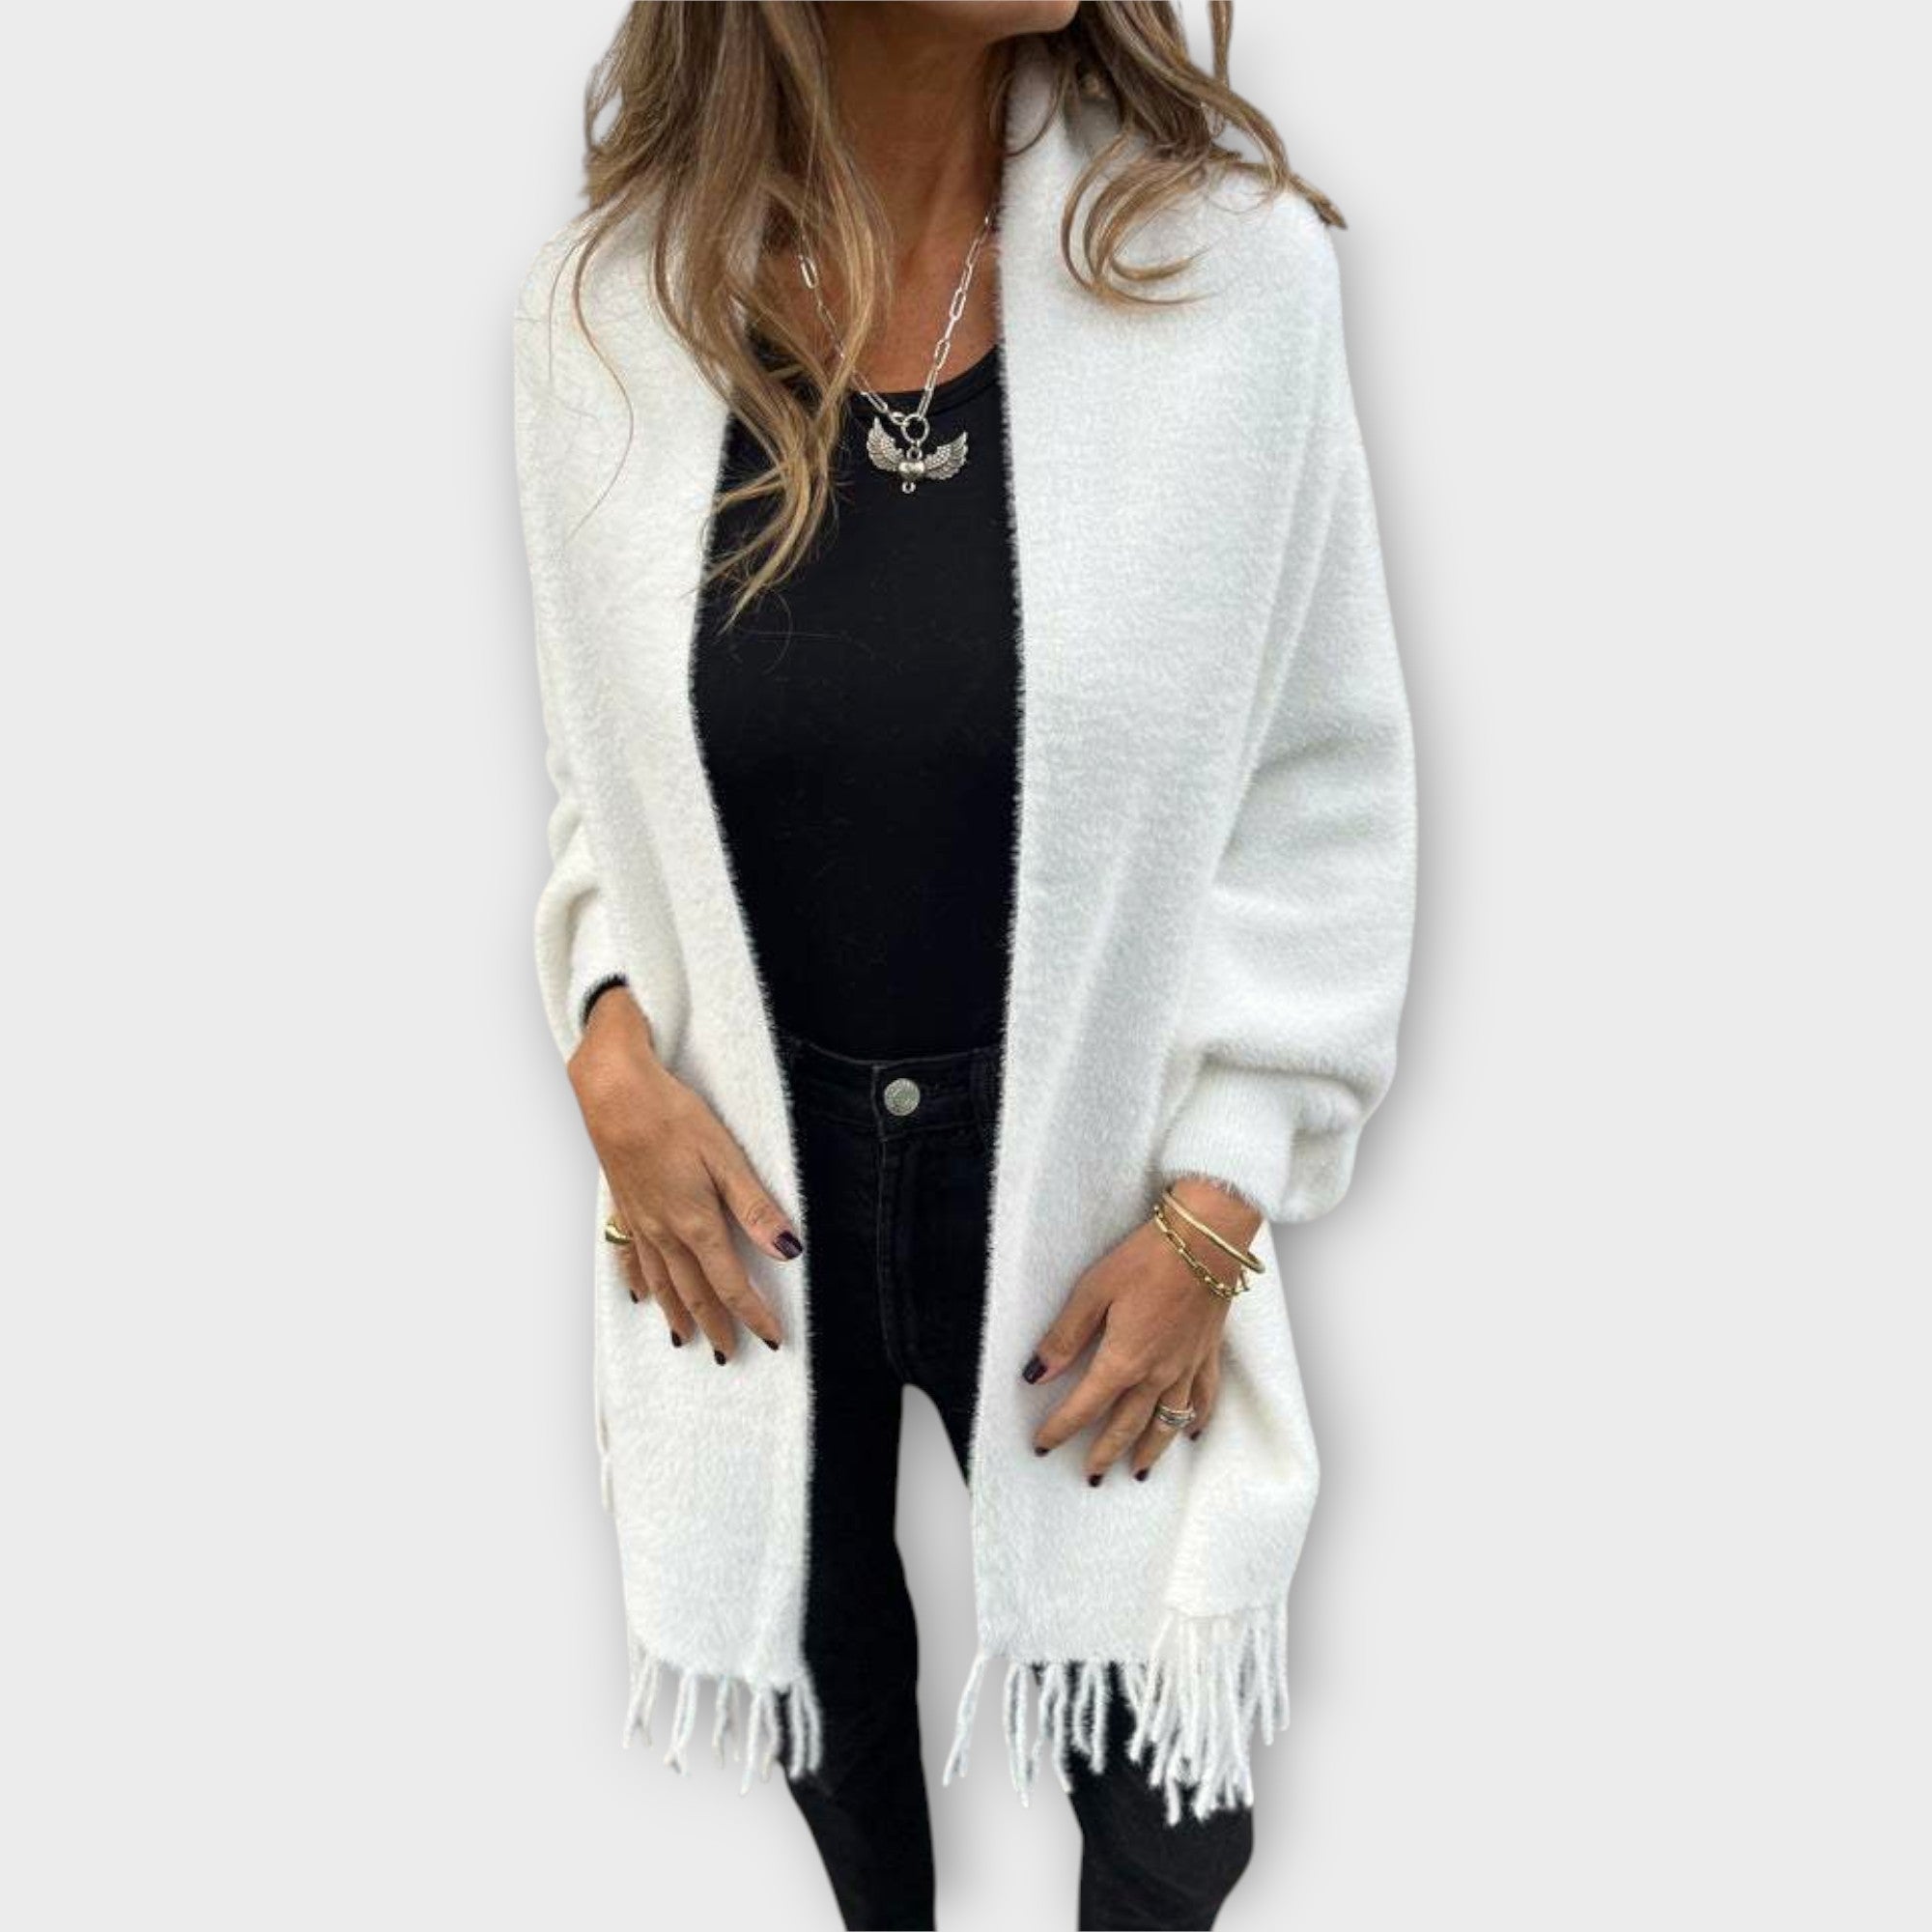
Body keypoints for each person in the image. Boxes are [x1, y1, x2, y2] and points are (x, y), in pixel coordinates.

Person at [511, 5, 1417, 1926]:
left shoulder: (1225, 274)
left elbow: (1320, 785)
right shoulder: (609, 316)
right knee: (837, 1737)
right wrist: (601, 1045)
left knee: (1165, 1820)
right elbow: (608, 793)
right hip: (756, 1195)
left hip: (1091, 1184)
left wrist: (1217, 1207)